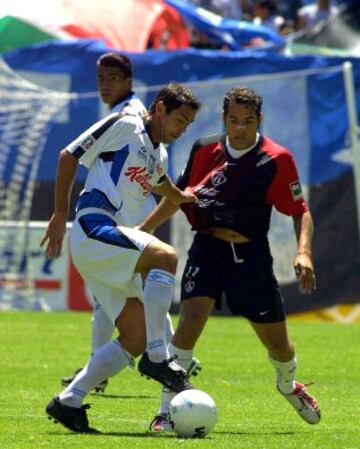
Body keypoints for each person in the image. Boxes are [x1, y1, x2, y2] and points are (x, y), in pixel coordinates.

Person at [138, 86, 321, 431]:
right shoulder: (204, 148)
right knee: (188, 324)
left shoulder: (276, 159)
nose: (240, 128)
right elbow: (177, 195)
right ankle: (166, 411)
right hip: (207, 248)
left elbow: (300, 210)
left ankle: (288, 385)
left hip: (249, 256)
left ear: (259, 120)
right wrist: (144, 229)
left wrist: (303, 252)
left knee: (278, 345)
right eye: (233, 120)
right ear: (223, 118)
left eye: (248, 121)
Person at [41, 82, 201, 433]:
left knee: (135, 337)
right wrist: (57, 215)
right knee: (166, 256)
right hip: (93, 228)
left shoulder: (157, 154)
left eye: (188, 124)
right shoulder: (125, 123)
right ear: (159, 108)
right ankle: (158, 358)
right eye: (179, 119)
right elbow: (69, 155)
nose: (182, 129)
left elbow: (164, 187)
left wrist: (183, 197)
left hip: (108, 250)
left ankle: (68, 401)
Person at [60, 52, 177, 394]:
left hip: (114, 221)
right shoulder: (130, 118)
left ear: (128, 81)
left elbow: (72, 155)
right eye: (101, 79)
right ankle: (161, 355)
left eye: (112, 78)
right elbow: (154, 179)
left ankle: (77, 393)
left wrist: (178, 195)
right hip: (106, 223)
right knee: (145, 286)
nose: (104, 85)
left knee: (139, 306)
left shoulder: (129, 116)